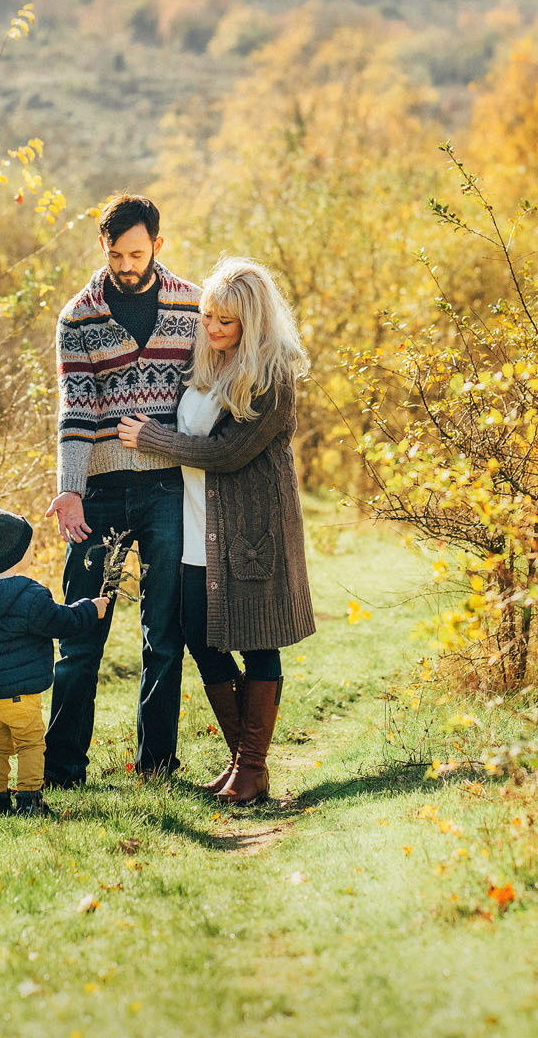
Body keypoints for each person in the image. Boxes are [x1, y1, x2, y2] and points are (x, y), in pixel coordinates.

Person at [119, 256, 315, 805]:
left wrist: (154, 439)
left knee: (256, 642)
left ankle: (251, 768)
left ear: (251, 322)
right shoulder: (208, 364)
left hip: (252, 529)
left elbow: (228, 454)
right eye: (207, 317)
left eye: (225, 322)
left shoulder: (272, 375)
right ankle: (243, 763)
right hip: (198, 525)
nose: (211, 328)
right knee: (199, 636)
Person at [43, 195, 201, 786]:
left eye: (137, 253)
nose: (126, 264)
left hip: (167, 489)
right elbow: (76, 408)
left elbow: (201, 394)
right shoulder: (78, 317)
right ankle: (62, 770)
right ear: (102, 248)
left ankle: (156, 767)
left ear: (158, 245)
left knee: (163, 634)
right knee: (82, 632)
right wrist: (71, 489)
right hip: (102, 495)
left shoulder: (190, 305)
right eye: (116, 254)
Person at [0, 497, 110, 817]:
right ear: (16, 555)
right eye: (29, 548)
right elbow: (63, 623)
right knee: (31, 744)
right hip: (20, 694)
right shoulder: (28, 595)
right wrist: (90, 609)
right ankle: (30, 799)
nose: (32, 553)